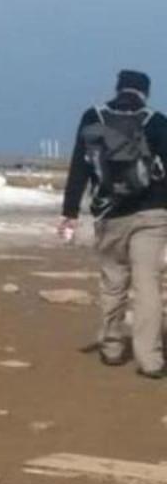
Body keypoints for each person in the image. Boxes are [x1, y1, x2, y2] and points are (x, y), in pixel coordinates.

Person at [60, 69, 167, 375]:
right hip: (153, 214)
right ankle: (150, 359)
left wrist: (69, 211)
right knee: (148, 285)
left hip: (109, 214)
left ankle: (111, 347)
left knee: (113, 282)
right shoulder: (157, 122)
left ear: (118, 88)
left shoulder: (93, 117)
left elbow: (79, 168)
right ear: (145, 93)